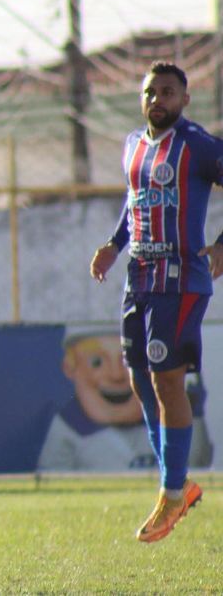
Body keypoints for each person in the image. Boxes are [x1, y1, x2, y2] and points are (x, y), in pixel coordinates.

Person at [90, 61, 223, 543]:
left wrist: (221, 245)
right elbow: (135, 199)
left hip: (181, 277)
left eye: (167, 92)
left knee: (168, 380)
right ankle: (178, 484)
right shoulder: (133, 145)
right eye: (150, 92)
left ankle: (171, 491)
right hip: (139, 276)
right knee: (138, 381)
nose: (157, 100)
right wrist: (112, 244)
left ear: (184, 99)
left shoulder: (198, 145)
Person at [37, 327, 212, 471]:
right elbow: (52, 483)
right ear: (70, 368)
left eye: (127, 362)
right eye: (97, 362)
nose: (116, 375)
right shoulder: (69, 425)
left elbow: (196, 467)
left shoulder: (164, 414)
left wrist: (192, 417)